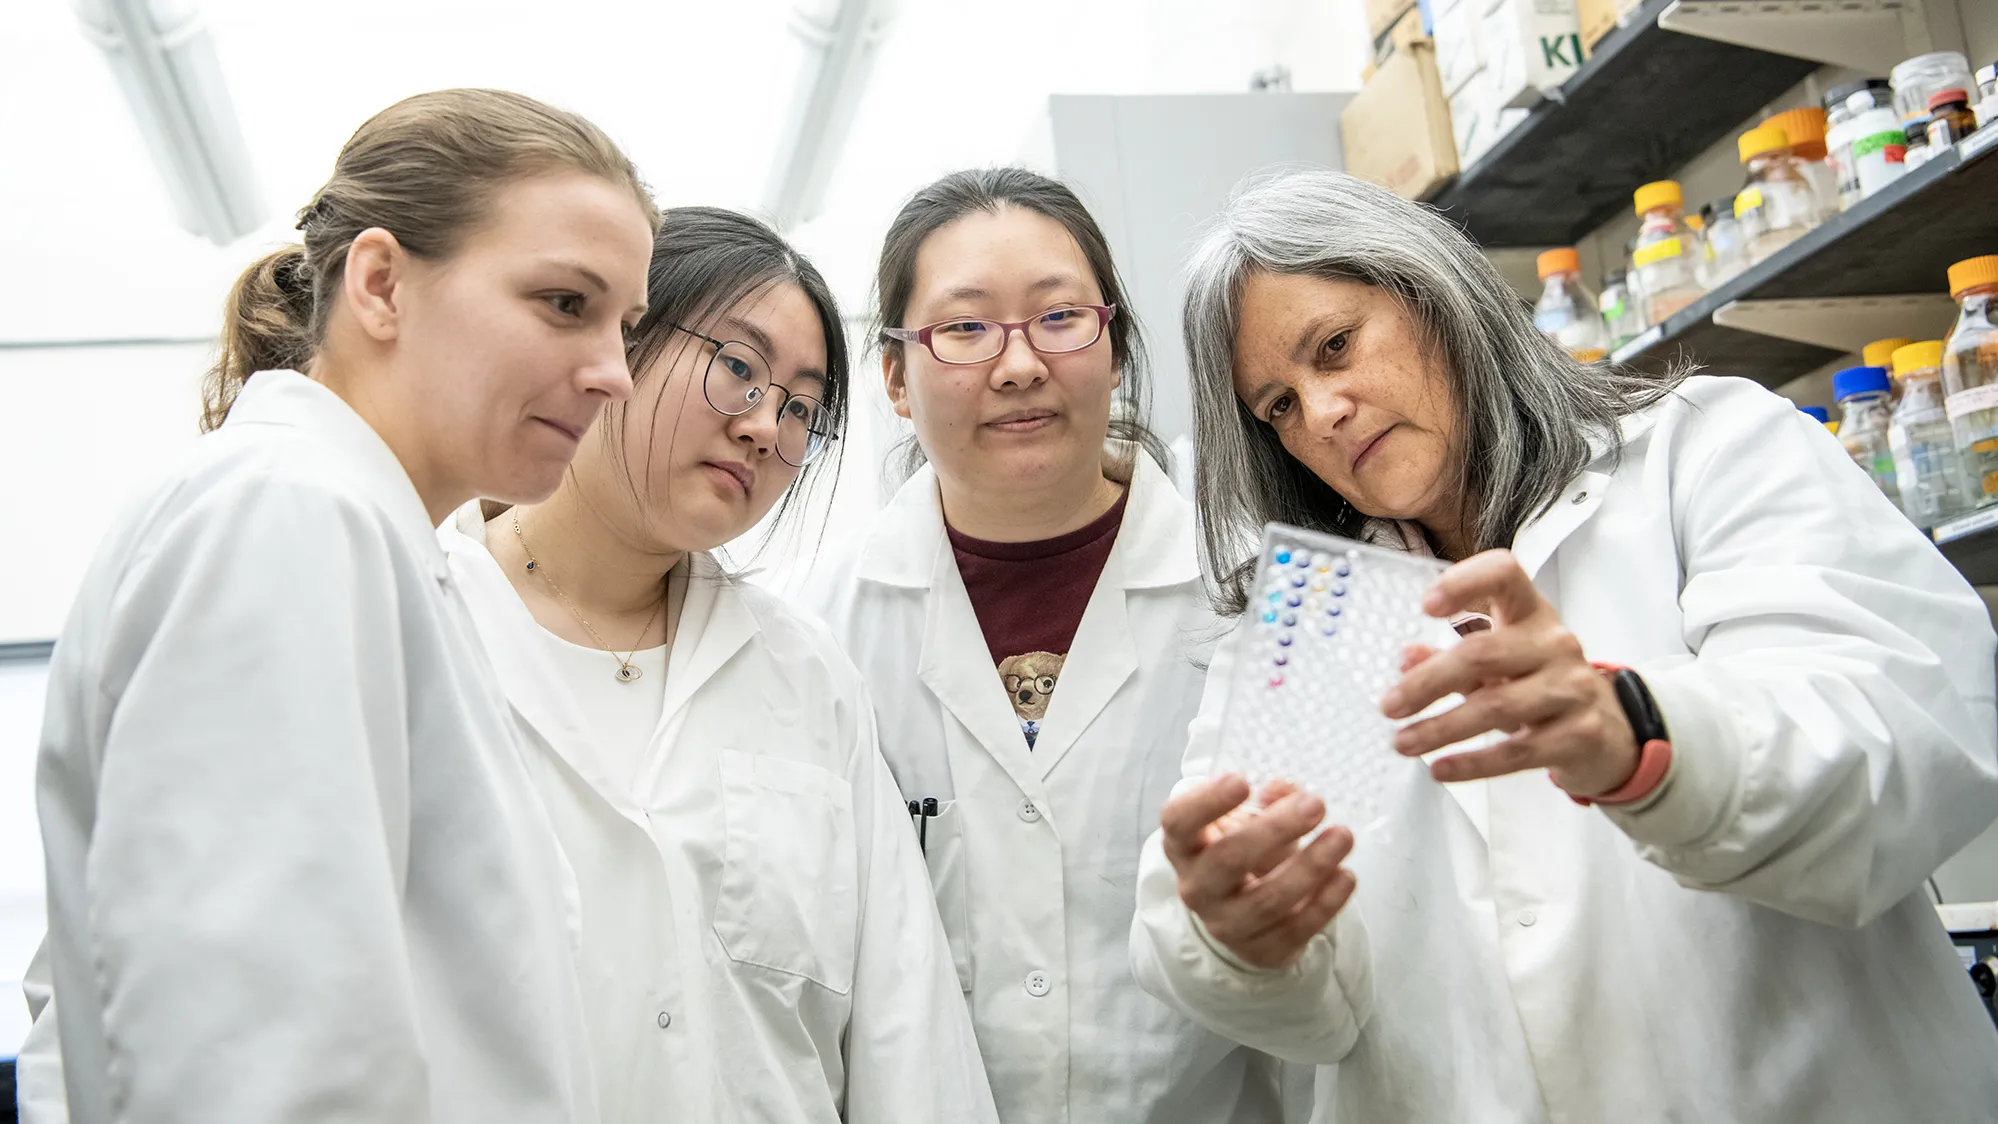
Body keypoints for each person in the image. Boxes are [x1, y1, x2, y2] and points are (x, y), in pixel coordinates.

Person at [1129, 168, 1998, 1122]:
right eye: (1280, 407)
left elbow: (1905, 746)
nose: (1323, 413)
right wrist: (1241, 939)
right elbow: (1315, 1011)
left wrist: (1644, 738)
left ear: (1435, 294)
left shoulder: (1704, 455)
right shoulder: (1317, 623)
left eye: (1336, 346)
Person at [23, 89, 658, 1123]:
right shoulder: (288, 515)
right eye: (563, 303)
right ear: (379, 284)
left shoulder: (366, 535)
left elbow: (86, 990)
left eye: (624, 324)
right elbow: (252, 1061)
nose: (612, 373)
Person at [438, 206, 996, 1123]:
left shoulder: (806, 676)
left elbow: (907, 1022)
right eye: (738, 369)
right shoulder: (425, 622)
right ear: (622, 341)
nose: (766, 427)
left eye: (801, 407)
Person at [802, 168, 1293, 1123]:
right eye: (965, 327)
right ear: (897, 377)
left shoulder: (1252, 579)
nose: (1018, 364)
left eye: (1060, 318)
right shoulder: (817, 621)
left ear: (1114, 350)